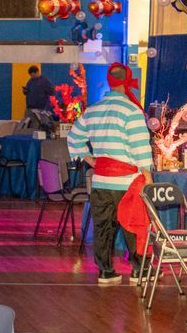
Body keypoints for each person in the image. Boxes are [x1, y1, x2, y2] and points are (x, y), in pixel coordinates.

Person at [66, 63, 155, 285]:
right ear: (128, 81)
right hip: (128, 182)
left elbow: (74, 137)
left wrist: (91, 160)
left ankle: (105, 271)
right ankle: (139, 271)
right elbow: (141, 149)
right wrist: (149, 179)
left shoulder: (93, 110)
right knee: (132, 225)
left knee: (103, 227)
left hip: (101, 180)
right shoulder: (132, 111)